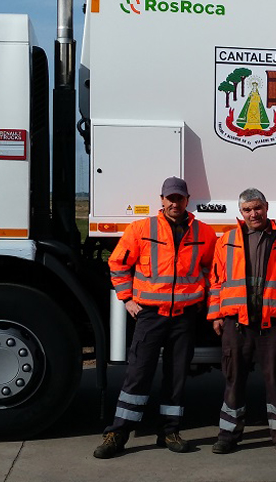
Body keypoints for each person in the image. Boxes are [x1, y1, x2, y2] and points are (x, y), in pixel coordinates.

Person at [93, 176, 217, 459]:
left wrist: (202, 297)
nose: (175, 202)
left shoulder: (204, 233)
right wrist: (126, 299)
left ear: (188, 200)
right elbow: (117, 264)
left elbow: (212, 269)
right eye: (170, 198)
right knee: (137, 375)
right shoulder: (141, 229)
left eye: (180, 198)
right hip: (150, 315)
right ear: (161, 200)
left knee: (176, 377)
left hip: (185, 317)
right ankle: (118, 433)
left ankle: (169, 431)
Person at [207, 188, 276, 457]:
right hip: (236, 323)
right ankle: (227, 436)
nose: (253, 213)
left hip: (273, 325)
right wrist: (216, 314)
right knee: (233, 380)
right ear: (240, 213)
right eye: (247, 210)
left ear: (266, 207)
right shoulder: (227, 240)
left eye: (257, 208)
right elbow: (216, 282)